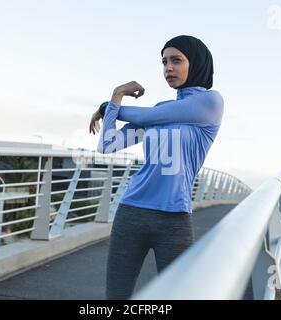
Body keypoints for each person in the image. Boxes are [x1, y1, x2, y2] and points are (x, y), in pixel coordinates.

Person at [89, 35, 224, 300]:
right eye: (164, 62)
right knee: (116, 298)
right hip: (131, 213)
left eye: (176, 60)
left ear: (195, 63)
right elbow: (107, 144)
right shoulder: (162, 109)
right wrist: (117, 95)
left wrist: (109, 106)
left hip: (174, 219)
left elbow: (147, 116)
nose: (168, 68)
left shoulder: (211, 103)